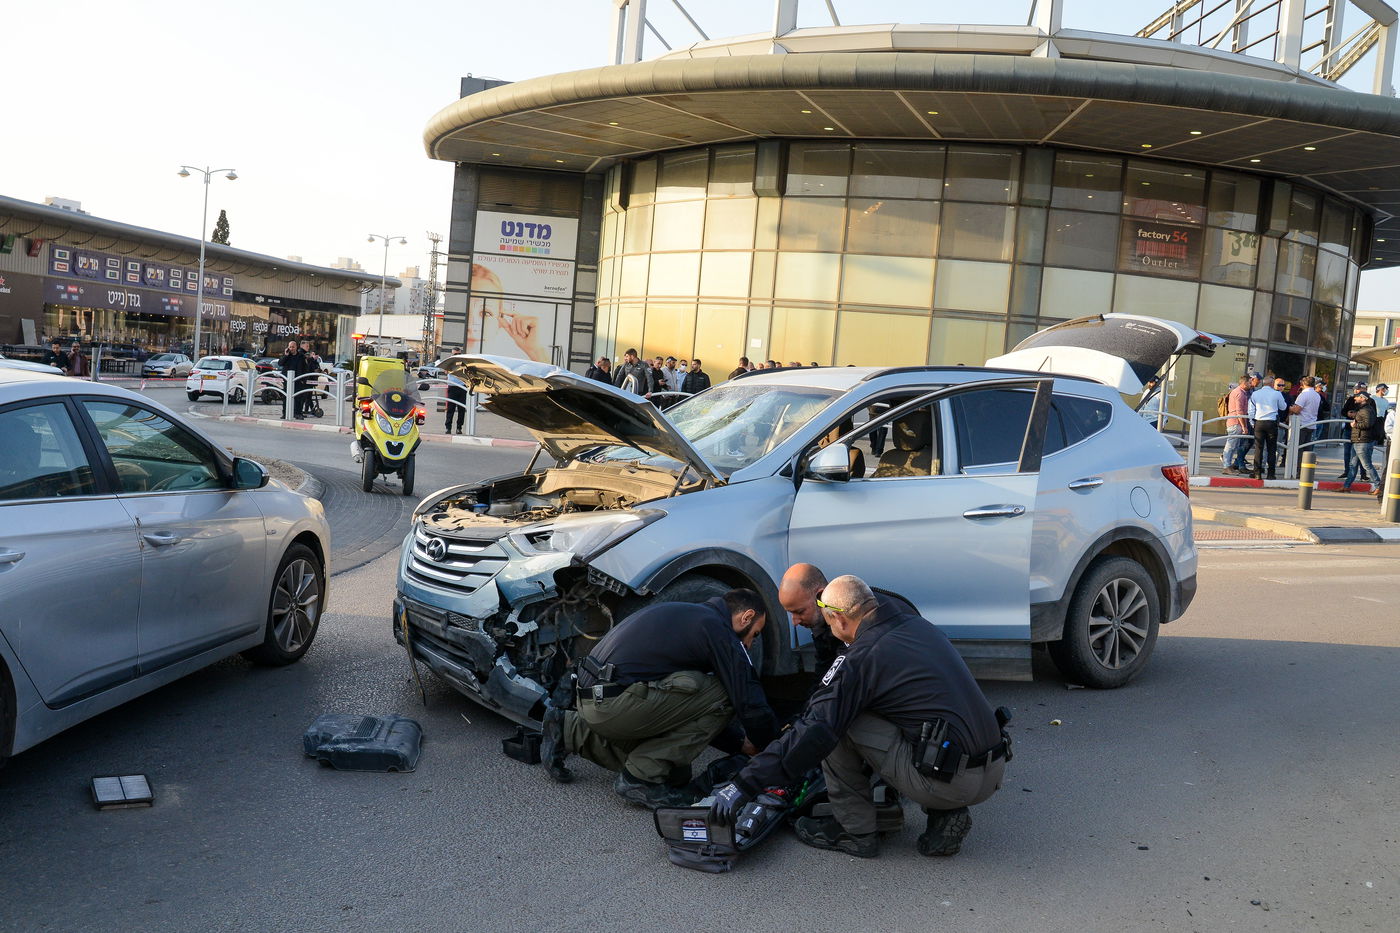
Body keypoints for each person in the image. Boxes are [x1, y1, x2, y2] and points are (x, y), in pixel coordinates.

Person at [711, 575, 1007, 859]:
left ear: (839, 618)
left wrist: (744, 784)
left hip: (948, 781)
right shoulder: (912, 622)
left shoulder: (862, 657)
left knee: (838, 721)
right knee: (899, 708)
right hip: (992, 770)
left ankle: (856, 831)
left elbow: (817, 727)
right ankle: (939, 810)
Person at [539, 589, 778, 809]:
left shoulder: (690, 615)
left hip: (591, 699)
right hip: (612, 705)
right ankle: (640, 779)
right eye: (754, 635)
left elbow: (694, 709)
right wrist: (772, 748)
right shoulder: (717, 629)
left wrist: (738, 744)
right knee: (725, 691)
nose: (749, 644)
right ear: (746, 617)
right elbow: (748, 699)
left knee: (676, 775)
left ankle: (569, 729)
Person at [1342, 388, 1383, 496]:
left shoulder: (1366, 410)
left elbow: (1368, 424)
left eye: (1357, 396)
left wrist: (1355, 425)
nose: (1355, 398)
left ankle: (1379, 486)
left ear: (1363, 398)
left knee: (1366, 465)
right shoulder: (1362, 409)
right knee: (1353, 464)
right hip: (1358, 440)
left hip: (1363, 441)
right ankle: (1346, 486)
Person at [1248, 377, 1287, 480]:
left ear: (1263, 383)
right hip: (1271, 423)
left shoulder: (1255, 394)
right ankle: (1271, 474)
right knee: (1271, 449)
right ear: (1272, 383)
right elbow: (1283, 407)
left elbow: (1251, 410)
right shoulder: (1277, 394)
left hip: (1259, 423)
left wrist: (1253, 423)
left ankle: (1257, 473)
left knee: (1258, 449)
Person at [1222, 374, 1256, 475]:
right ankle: (1226, 466)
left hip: (1235, 422)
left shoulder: (1240, 392)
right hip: (1236, 423)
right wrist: (1244, 426)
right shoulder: (1240, 394)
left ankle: (1228, 466)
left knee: (1233, 445)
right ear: (1244, 383)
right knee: (1231, 445)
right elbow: (1239, 411)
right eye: (1250, 382)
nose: (1251, 384)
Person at [1293, 376, 1321, 450]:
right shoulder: (1317, 395)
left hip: (1302, 424)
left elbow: (1296, 410)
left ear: (1304, 384)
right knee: (1307, 449)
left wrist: (1290, 408)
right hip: (1311, 424)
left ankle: (1298, 462)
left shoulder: (1304, 394)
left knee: (1298, 449)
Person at [278, 341, 306, 419]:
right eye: (290, 347)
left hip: (297, 380)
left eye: (293, 347)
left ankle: (298, 413)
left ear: (296, 347)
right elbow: (280, 363)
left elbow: (305, 368)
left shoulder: (301, 356)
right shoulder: (287, 356)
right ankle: (285, 413)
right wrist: (286, 355)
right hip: (287, 380)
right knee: (286, 397)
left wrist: (303, 379)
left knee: (298, 398)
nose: (291, 348)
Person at [445, 369, 468, 434]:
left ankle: (459, 427)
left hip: (462, 386)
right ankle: (448, 427)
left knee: (461, 409)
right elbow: (446, 371)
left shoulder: (463, 362)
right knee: (450, 408)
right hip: (452, 386)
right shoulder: (451, 361)